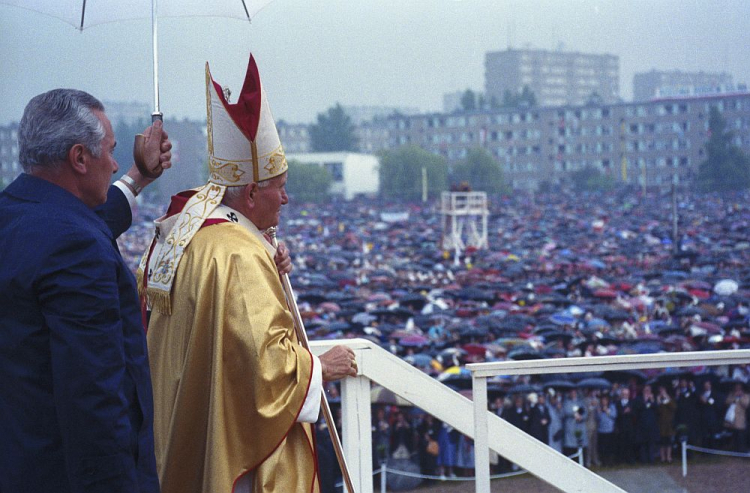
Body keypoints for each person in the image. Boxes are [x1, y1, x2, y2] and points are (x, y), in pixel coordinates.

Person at [141, 55, 357, 493]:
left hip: (182, 428)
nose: (287, 199)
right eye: (281, 187)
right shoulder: (237, 255)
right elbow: (264, 368)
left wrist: (269, 270)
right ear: (254, 191)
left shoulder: (185, 228)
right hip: (244, 462)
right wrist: (319, 368)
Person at [0, 88, 172, 492]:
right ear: (79, 157)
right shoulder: (74, 246)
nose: (115, 165)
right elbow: (94, 400)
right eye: (111, 152)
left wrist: (140, 175)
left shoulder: (17, 216)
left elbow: (79, 223)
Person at [656, 385, 677, 463]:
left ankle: (669, 457)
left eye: (663, 390)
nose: (662, 392)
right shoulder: (658, 399)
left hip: (669, 424)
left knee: (669, 441)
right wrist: (658, 402)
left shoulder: (670, 398)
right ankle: (662, 457)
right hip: (661, 424)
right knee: (662, 442)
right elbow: (658, 411)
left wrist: (667, 398)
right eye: (660, 390)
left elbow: (674, 408)